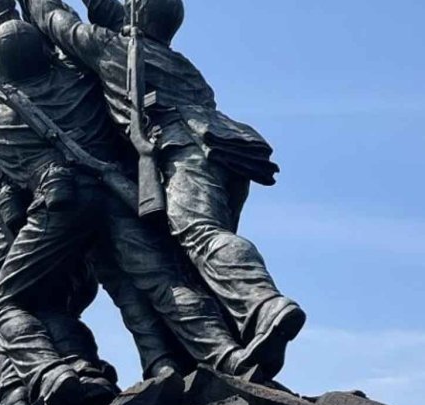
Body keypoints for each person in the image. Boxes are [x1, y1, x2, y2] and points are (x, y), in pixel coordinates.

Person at [22, 0, 306, 379]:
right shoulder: (182, 65)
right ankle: (238, 339)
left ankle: (263, 305)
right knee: (190, 257)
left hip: (184, 147)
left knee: (200, 234)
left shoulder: (113, 49)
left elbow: (54, 20)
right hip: (229, 151)